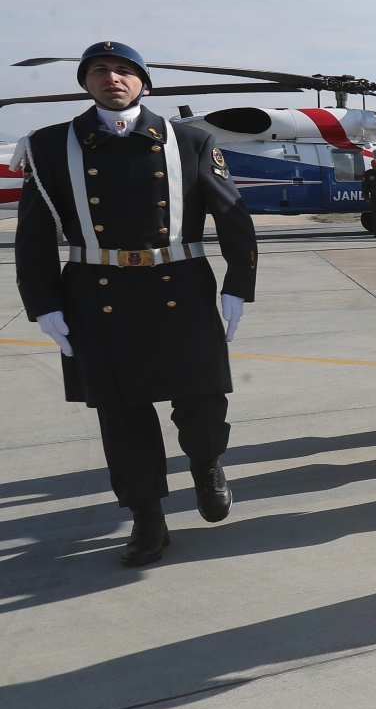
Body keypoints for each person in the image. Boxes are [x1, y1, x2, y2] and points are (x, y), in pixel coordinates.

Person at [13, 41, 256, 564]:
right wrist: (43, 303)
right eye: (99, 70)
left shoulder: (189, 141)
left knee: (203, 398)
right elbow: (32, 234)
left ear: (144, 82)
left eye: (125, 70)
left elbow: (233, 216)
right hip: (97, 293)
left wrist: (239, 283)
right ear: (85, 82)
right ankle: (147, 517)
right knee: (122, 416)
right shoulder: (51, 146)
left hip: (181, 285)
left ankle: (206, 462)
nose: (112, 78)